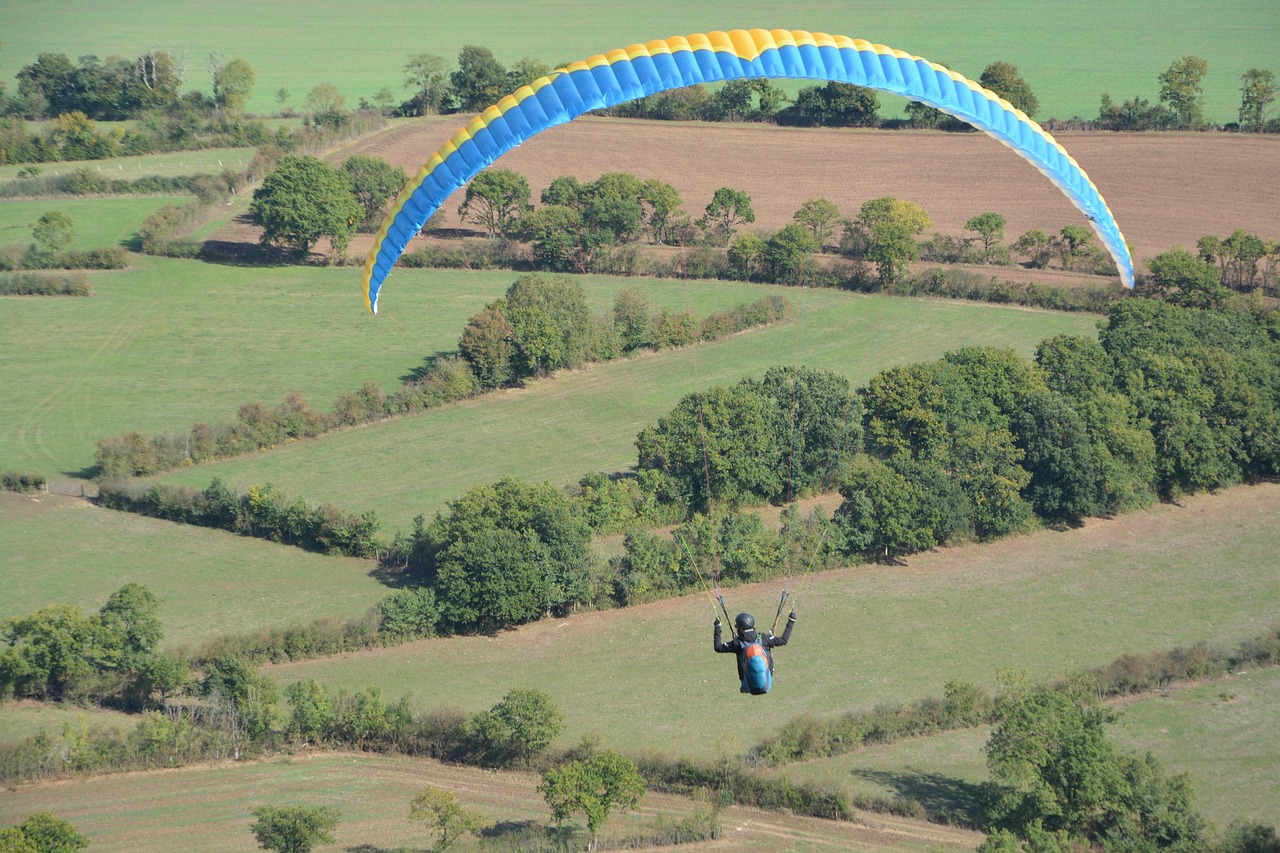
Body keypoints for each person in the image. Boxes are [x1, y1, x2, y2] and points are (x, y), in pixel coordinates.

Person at [714, 610, 796, 694]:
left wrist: (717, 626)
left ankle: (744, 686)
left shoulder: (737, 643)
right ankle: (770, 671)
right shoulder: (764, 638)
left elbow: (718, 647)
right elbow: (783, 640)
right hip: (767, 684)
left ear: (741, 628)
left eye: (737, 626)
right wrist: (791, 620)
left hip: (748, 686)